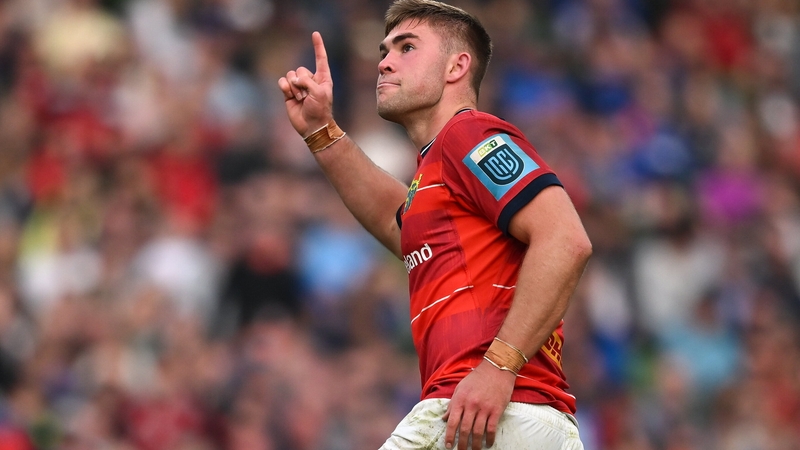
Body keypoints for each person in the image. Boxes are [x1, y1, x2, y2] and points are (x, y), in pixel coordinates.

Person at [277, 0, 592, 448]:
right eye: (384, 50)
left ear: (456, 66)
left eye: (407, 47)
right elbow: (399, 223)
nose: (384, 61)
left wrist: (499, 366)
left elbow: (565, 239)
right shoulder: (438, 167)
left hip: (497, 413)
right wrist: (321, 132)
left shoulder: (470, 135)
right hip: (495, 417)